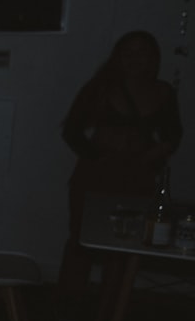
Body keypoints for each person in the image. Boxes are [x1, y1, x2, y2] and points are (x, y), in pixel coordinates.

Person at [56, 30, 183, 305]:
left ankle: (111, 307)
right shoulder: (101, 87)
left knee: (125, 245)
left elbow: (173, 135)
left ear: (153, 58)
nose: (135, 59)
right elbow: (73, 130)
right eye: (129, 53)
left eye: (142, 53)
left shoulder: (163, 92)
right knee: (82, 239)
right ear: (118, 57)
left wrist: (153, 156)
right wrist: (100, 156)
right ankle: (67, 305)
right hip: (96, 176)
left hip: (137, 177)